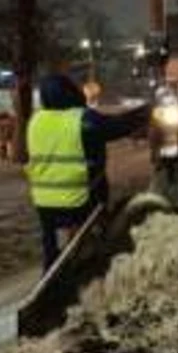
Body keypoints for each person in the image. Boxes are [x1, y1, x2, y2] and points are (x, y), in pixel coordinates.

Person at [25, 73, 151, 272]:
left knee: (50, 242)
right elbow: (118, 126)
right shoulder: (82, 119)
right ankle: (96, 258)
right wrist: (148, 111)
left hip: (43, 201)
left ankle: (50, 266)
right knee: (100, 227)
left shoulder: (36, 121)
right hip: (80, 199)